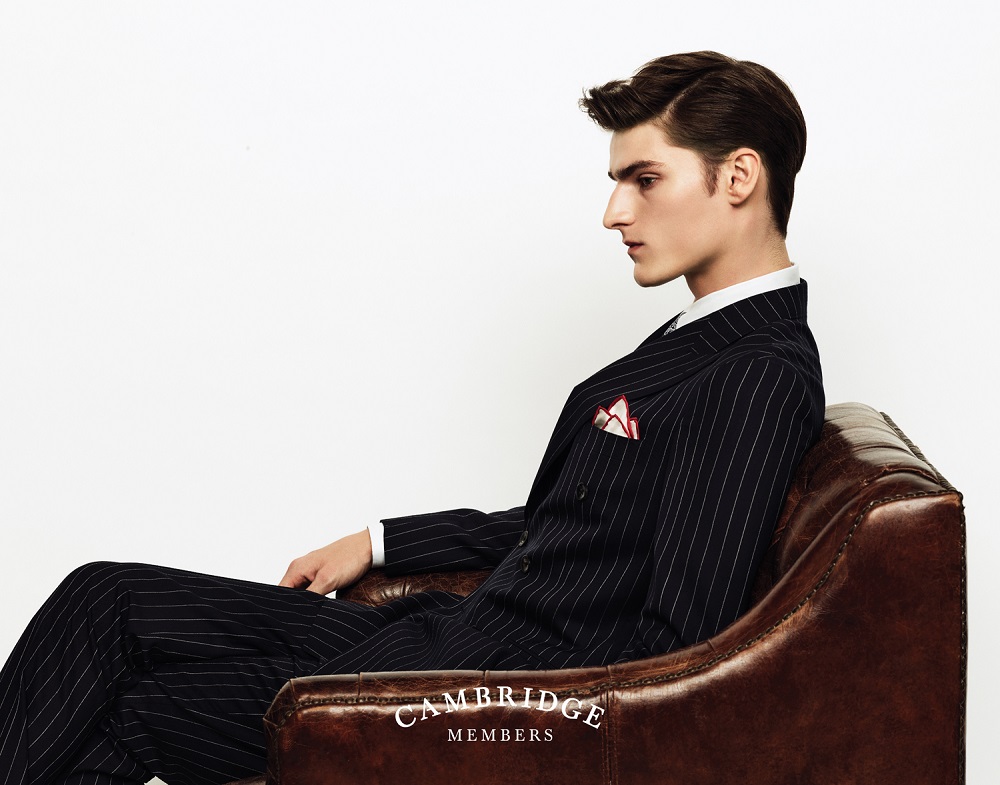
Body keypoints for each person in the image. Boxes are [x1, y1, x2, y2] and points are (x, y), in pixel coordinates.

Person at [0, 50, 824, 785]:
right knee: (106, 595)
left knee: (132, 713)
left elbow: (674, 656)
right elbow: (578, 526)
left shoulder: (757, 372)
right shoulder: (706, 335)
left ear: (738, 177)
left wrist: (465, 721)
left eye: (643, 180)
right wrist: (380, 541)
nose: (614, 212)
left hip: (470, 690)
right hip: (446, 633)